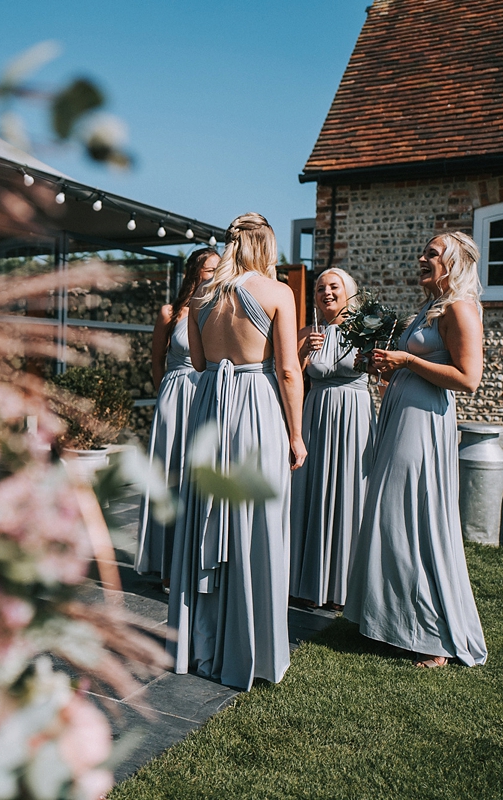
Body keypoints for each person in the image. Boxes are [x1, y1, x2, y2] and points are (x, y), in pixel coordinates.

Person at [167, 213, 306, 690]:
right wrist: (296, 433)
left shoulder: (202, 297)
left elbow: (201, 363)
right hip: (255, 406)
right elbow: (288, 371)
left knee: (207, 511)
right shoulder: (276, 293)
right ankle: (250, 646)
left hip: (209, 406)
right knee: (255, 518)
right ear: (265, 247)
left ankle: (200, 644)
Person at [344, 231, 488, 668]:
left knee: (409, 514)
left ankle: (428, 636)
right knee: (390, 515)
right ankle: (391, 621)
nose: (422, 258)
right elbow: (415, 364)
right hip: (402, 412)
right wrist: (384, 363)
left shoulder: (460, 309)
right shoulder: (428, 308)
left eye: (433, 253)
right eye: (423, 252)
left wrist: (407, 361)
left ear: (457, 262)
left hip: (424, 421)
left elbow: (468, 378)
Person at [289, 268, 374, 611]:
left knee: (348, 492)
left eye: (334, 286)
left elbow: (382, 371)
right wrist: (301, 353)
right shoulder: (307, 332)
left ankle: (343, 587)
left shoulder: (366, 329)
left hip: (354, 417)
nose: (326, 292)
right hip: (316, 415)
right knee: (311, 493)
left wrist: (368, 356)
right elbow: (288, 375)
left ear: (348, 291)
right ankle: (305, 584)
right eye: (321, 288)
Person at [135, 247, 220, 583]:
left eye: (218, 269)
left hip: (206, 394)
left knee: (198, 476)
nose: (214, 274)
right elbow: (156, 360)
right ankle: (165, 562)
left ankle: (193, 562)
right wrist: (164, 394)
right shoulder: (170, 312)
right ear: (194, 272)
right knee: (169, 474)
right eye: (210, 269)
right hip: (174, 394)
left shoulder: (217, 309)